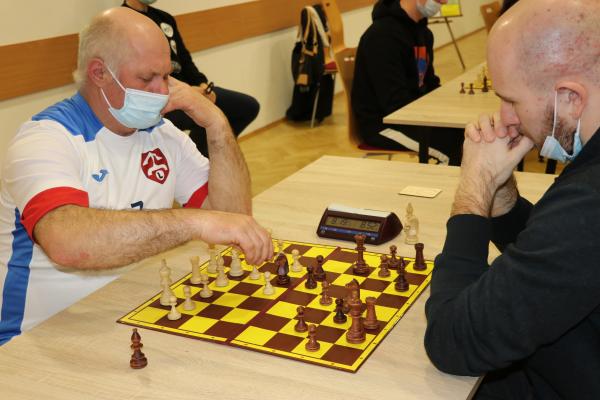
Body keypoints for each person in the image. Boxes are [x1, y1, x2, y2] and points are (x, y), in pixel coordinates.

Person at [0, 7, 273, 345]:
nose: (162, 92)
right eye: (147, 79)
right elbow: (66, 243)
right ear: (99, 73)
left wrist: (216, 123)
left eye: (167, 76)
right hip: (35, 338)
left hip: (126, 318)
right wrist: (193, 222)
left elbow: (232, 218)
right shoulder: (46, 138)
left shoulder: (163, 134)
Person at [424, 0, 600, 398]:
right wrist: (501, 196)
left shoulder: (589, 202)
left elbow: (452, 341)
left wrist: (475, 189)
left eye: (511, 100)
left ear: (571, 98)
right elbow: (557, 255)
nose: (504, 117)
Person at [122, 0, 260, 157]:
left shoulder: (165, 18)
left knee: (248, 107)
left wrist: (203, 85)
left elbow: (185, 59)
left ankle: (204, 157)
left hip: (190, 90)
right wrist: (187, 93)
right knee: (205, 116)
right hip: (161, 99)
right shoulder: (123, 22)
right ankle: (198, 159)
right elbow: (141, 74)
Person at [352, 0, 464, 165]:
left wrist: (451, 108)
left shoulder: (424, 33)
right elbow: (394, 102)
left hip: (411, 115)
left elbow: (429, 84)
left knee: (465, 132)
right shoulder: (381, 37)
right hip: (383, 124)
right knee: (450, 147)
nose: (444, 2)